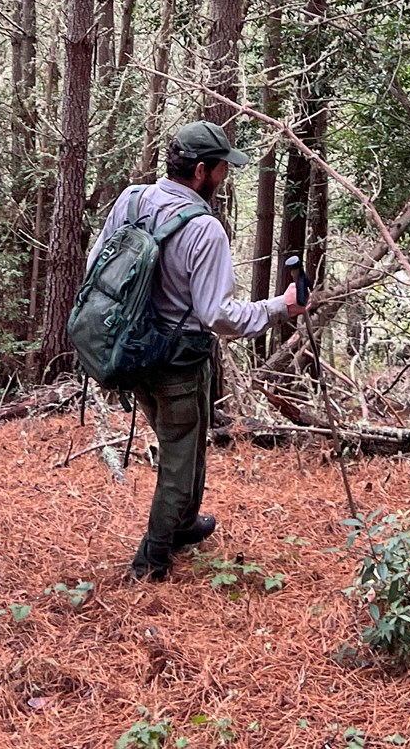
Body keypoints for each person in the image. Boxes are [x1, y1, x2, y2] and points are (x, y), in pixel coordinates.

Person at [86, 120, 307, 582]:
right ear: (202, 170)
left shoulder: (131, 200)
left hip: (128, 351)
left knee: (185, 445)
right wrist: (280, 307)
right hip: (177, 363)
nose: (226, 176)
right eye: (223, 168)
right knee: (178, 461)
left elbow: (96, 267)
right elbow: (217, 316)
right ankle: (151, 562)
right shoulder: (205, 230)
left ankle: (183, 524)